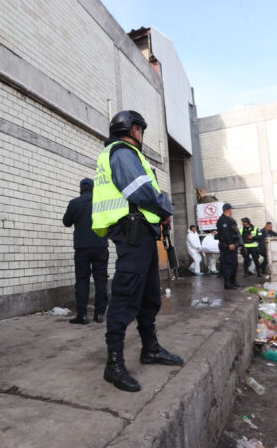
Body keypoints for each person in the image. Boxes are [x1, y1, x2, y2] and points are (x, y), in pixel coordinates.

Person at [92, 110, 183, 393]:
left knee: (149, 294)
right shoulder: (122, 152)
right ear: (133, 129)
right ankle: (114, 364)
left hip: (142, 232)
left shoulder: (126, 154)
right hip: (132, 232)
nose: (141, 135)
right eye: (141, 130)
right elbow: (139, 190)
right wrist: (165, 207)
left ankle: (150, 349)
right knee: (126, 295)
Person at [62, 178, 109, 324]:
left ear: (80, 189)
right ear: (94, 189)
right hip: (100, 246)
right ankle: (99, 314)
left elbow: (66, 222)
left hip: (81, 248)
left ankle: (82, 315)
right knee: (101, 280)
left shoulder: (74, 203)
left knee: (82, 280)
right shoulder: (102, 202)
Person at [216, 203, 242, 289]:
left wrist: (239, 244)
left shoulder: (230, 219)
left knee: (234, 264)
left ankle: (233, 281)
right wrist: (230, 243)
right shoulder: (223, 220)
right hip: (227, 246)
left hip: (233, 245)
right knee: (228, 264)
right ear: (228, 210)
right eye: (231, 209)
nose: (232, 211)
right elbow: (225, 233)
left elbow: (235, 232)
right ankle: (227, 283)